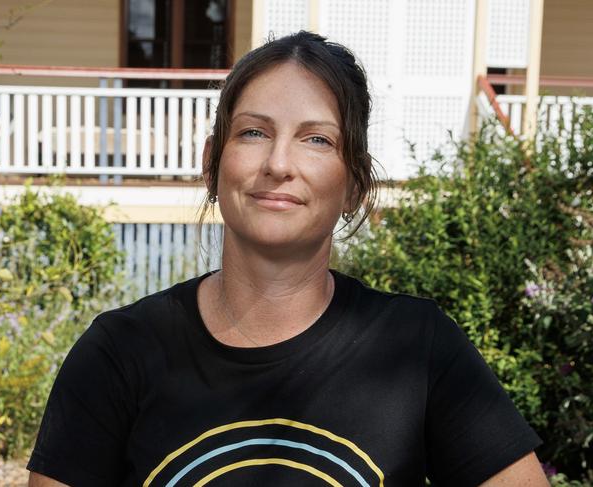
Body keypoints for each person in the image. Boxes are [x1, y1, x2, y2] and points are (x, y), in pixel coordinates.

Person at [27, 31, 549, 487]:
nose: (278, 164)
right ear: (213, 163)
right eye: (254, 132)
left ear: (354, 184)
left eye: (316, 139)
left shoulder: (419, 347)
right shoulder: (118, 353)